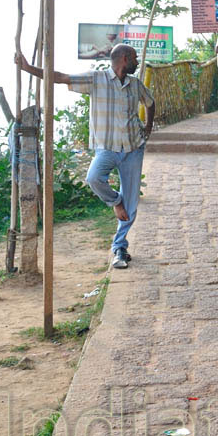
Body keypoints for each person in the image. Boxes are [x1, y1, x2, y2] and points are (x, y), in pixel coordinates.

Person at [15, 45, 155, 269]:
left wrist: (147, 127)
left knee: (132, 204)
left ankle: (119, 247)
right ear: (125, 59)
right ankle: (115, 201)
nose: (138, 62)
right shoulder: (96, 80)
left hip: (133, 149)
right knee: (93, 178)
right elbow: (60, 77)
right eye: (135, 58)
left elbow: (150, 102)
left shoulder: (135, 84)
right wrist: (28, 68)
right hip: (107, 148)